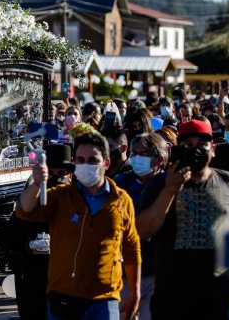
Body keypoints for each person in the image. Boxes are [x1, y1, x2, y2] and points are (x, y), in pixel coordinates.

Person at [16, 132, 141, 320]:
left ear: (106, 163)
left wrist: (135, 291)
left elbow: (131, 248)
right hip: (63, 300)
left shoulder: (121, 199)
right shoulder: (60, 196)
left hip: (105, 300)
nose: (86, 165)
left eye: (93, 160)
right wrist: (36, 184)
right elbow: (24, 211)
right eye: (80, 160)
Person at [137, 120, 229, 320]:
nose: (195, 150)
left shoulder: (228, 181)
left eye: (202, 144)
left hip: (220, 296)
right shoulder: (159, 183)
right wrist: (170, 189)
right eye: (188, 145)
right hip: (173, 296)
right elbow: (143, 231)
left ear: (213, 149)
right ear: (177, 150)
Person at [2, 144, 75, 320]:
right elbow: (8, 236)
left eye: (61, 174)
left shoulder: (77, 202)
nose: (56, 179)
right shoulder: (31, 200)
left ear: (70, 176)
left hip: (67, 282)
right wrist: (27, 245)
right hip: (34, 279)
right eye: (51, 174)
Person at [113, 133, 167, 320]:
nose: (136, 158)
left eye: (142, 153)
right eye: (133, 153)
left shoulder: (170, 184)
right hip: (126, 273)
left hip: (158, 272)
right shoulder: (121, 182)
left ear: (159, 158)